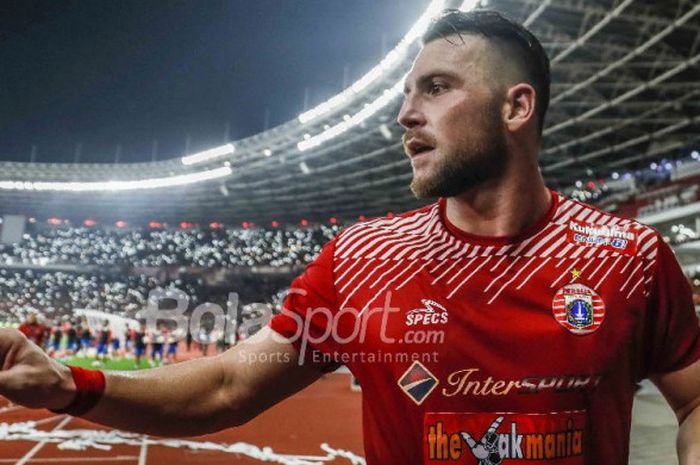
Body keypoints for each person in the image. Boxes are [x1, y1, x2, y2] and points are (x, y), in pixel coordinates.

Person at [0, 9, 699, 465]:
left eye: (435, 88)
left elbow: (694, 399)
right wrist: (66, 383)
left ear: (517, 106)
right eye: (403, 93)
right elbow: (223, 386)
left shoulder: (629, 257)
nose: (403, 114)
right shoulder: (362, 258)